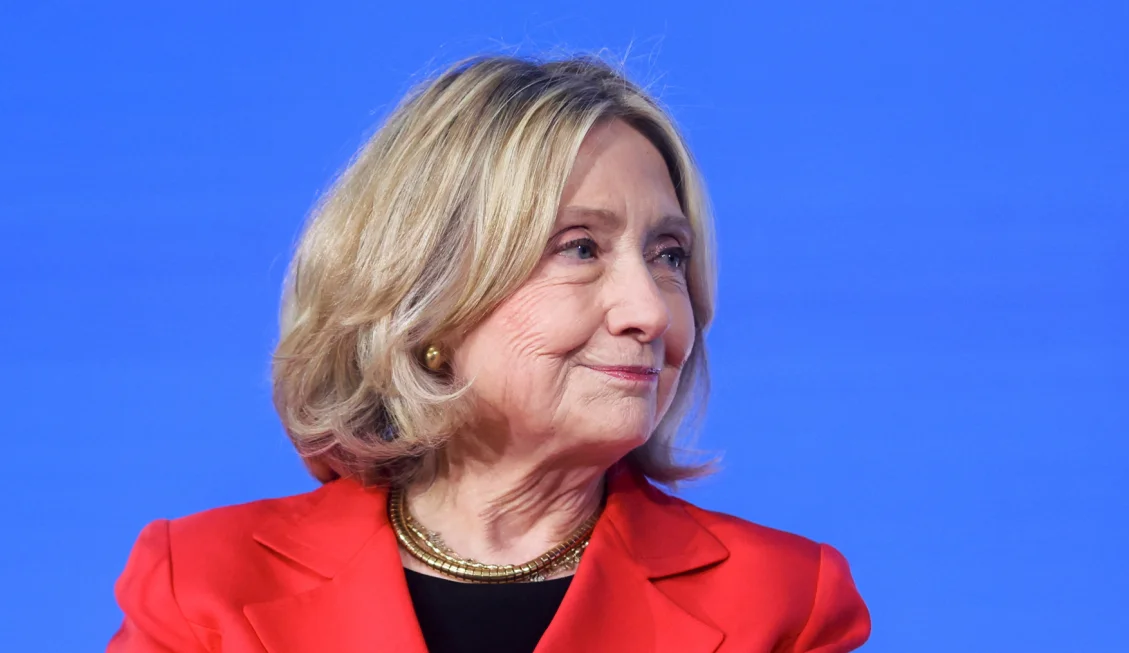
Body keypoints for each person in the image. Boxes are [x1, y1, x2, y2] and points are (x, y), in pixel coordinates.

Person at [107, 54, 871, 653]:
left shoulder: (781, 601)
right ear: (425, 294)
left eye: (668, 255)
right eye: (579, 248)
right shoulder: (204, 582)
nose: (649, 312)